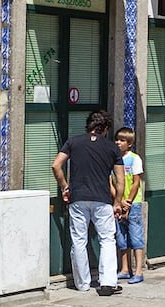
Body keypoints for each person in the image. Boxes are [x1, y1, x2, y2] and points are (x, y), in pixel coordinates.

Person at [52, 108, 124, 295]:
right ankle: (108, 282)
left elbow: (56, 165)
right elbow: (120, 179)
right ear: (105, 128)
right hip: (102, 199)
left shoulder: (73, 142)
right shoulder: (111, 147)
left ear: (89, 126)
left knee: (79, 240)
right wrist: (117, 202)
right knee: (107, 240)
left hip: (78, 198)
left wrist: (64, 187)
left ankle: (82, 284)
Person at [113, 126, 146, 284]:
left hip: (133, 204)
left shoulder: (134, 159)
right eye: (117, 139)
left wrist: (129, 201)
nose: (118, 143)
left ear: (129, 143)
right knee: (121, 237)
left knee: (136, 237)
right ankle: (125, 269)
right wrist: (118, 201)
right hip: (118, 204)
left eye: (122, 140)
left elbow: (136, 182)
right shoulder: (113, 159)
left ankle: (138, 270)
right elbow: (110, 182)